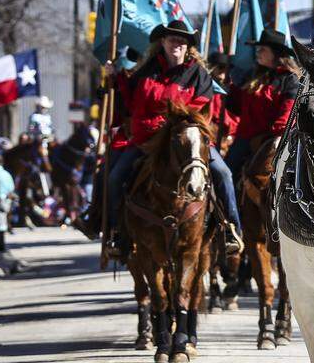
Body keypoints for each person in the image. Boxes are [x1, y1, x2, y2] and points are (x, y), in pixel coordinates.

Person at [103, 19, 241, 257]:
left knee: (224, 173)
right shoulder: (146, 72)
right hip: (147, 138)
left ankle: (230, 228)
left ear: (188, 46)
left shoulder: (199, 75)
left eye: (181, 40)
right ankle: (115, 232)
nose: (176, 43)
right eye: (171, 39)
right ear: (163, 42)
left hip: (187, 139)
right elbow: (130, 102)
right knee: (114, 176)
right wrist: (114, 78)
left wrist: (172, 123)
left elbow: (198, 109)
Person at [224, 29, 299, 176]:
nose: (258, 52)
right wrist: (228, 89)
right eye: (258, 49)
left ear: (275, 54)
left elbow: (288, 109)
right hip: (245, 138)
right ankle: (225, 200)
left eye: (262, 49)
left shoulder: (289, 79)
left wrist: (279, 133)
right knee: (226, 173)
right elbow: (237, 106)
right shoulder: (253, 75)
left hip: (271, 137)